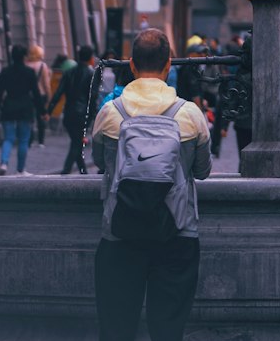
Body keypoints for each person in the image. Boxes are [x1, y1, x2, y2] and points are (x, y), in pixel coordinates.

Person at [92, 27, 211, 341]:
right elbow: (202, 171)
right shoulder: (190, 115)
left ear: (131, 64)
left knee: (116, 327)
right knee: (168, 328)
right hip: (177, 232)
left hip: (120, 232)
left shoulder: (109, 113)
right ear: (169, 64)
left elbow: (101, 163)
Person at [48, 43, 98, 174]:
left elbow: (58, 93)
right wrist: (94, 115)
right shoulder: (91, 74)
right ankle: (66, 171)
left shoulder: (69, 73)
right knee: (76, 144)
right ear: (90, 58)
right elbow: (92, 97)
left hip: (69, 113)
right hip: (82, 115)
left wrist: (48, 110)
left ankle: (83, 172)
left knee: (76, 142)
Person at [0, 43, 41, 175]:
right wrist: (42, 111)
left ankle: (4, 163)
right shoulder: (29, 72)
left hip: (9, 106)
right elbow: (36, 93)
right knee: (23, 140)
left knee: (8, 138)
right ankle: (20, 169)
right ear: (24, 57)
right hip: (25, 107)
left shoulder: (5, 71)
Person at [25, 44, 52, 146]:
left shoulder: (26, 65)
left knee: (29, 118)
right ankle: (41, 141)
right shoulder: (42, 66)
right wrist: (49, 96)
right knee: (41, 117)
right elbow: (46, 83)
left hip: (28, 95)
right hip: (41, 94)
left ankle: (29, 140)